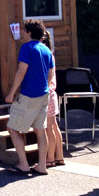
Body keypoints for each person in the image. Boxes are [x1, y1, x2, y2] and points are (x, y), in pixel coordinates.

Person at [5, 19, 54, 176]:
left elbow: (21, 71)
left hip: (28, 95)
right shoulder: (46, 50)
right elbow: (51, 73)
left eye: (23, 30)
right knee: (41, 130)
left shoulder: (26, 48)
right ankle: (41, 165)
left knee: (12, 128)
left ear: (29, 33)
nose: (21, 32)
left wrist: (12, 92)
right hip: (44, 94)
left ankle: (24, 164)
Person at [41, 31, 65, 168]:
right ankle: (60, 156)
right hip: (53, 94)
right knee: (54, 126)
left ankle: (50, 158)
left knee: (49, 128)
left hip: (48, 94)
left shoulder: (46, 55)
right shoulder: (51, 54)